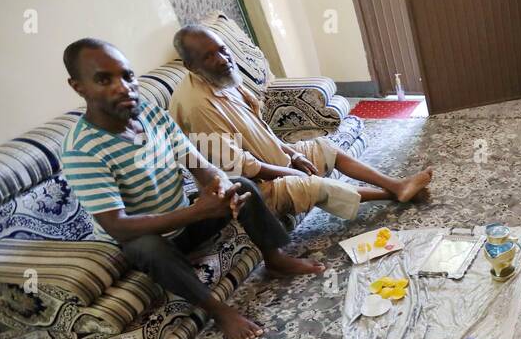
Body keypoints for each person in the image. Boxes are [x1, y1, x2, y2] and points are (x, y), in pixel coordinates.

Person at [60, 38, 322, 339]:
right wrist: (198, 210)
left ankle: (274, 257)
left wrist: (219, 184)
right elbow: (117, 226)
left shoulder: (150, 114)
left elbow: (198, 164)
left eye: (127, 76)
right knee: (147, 247)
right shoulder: (82, 150)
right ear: (79, 87)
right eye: (104, 80)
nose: (123, 87)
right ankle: (217, 310)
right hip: (143, 236)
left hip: (184, 216)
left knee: (241, 185)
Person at [169, 25, 431, 215]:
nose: (223, 60)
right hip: (250, 188)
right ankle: (395, 193)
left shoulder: (221, 77)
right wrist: (291, 171)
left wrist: (293, 155)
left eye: (223, 50)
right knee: (314, 185)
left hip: (270, 158)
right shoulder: (197, 106)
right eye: (209, 56)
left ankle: (396, 186)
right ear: (191, 66)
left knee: (326, 148)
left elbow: (260, 129)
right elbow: (239, 166)